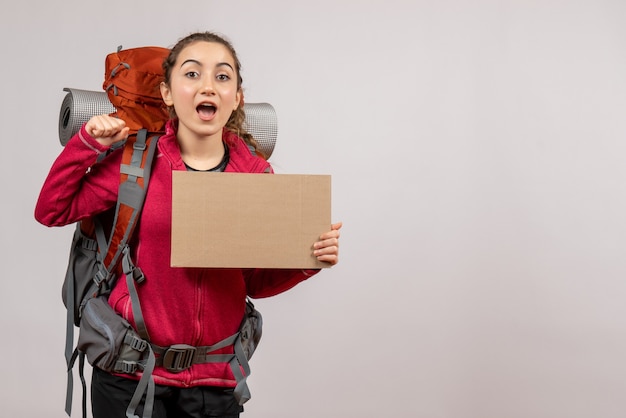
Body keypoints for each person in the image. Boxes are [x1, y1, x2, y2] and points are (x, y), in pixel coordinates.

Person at [35, 31, 342, 418]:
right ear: (167, 93)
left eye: (223, 76)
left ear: (237, 97)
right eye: (192, 74)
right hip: (130, 375)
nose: (208, 86)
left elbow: (252, 282)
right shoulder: (135, 163)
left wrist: (306, 259)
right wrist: (86, 144)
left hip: (215, 382)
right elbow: (51, 210)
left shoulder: (255, 177)